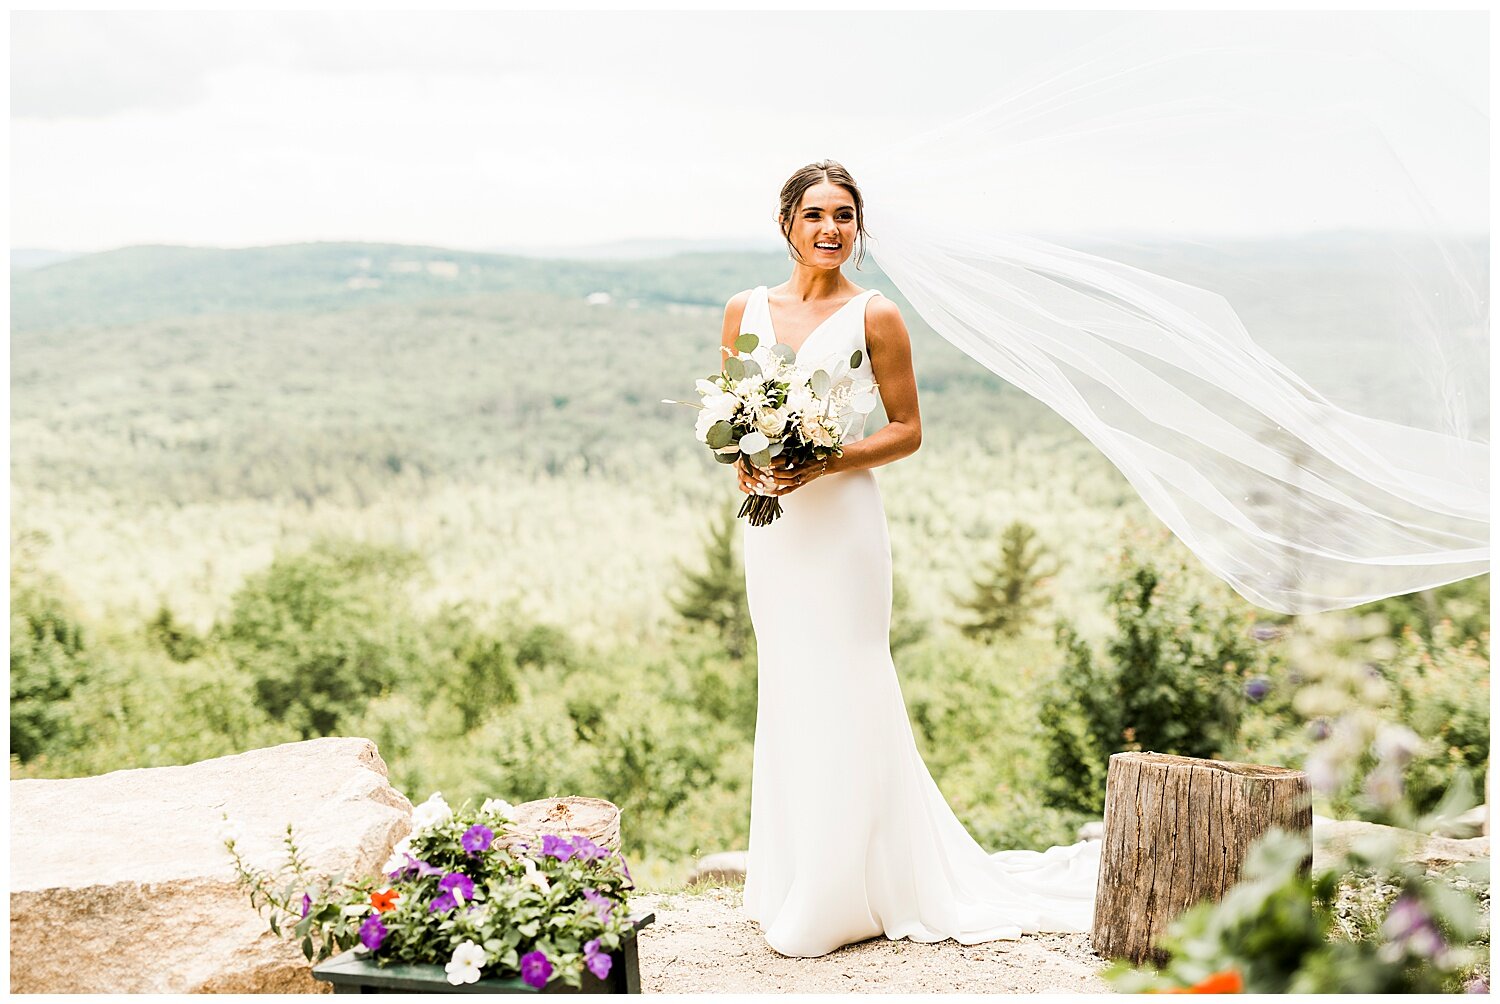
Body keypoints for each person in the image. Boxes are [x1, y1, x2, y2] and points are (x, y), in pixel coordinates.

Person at [718, 162, 1101, 959]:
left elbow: (907, 429)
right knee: (790, 682)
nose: (831, 229)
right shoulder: (744, 310)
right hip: (775, 530)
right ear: (786, 221)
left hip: (844, 526)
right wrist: (748, 464)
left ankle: (848, 891)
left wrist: (825, 461)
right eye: (816, 213)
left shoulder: (876, 314)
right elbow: (731, 417)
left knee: (850, 681)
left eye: (846, 217)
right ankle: (797, 873)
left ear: (859, 229)